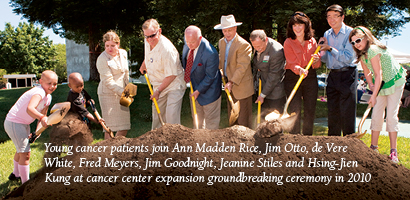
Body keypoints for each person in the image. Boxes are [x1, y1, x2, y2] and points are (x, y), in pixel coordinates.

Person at [349, 26, 406, 162]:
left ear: (366, 37)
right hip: (381, 84)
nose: (356, 44)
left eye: (358, 40)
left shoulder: (373, 50)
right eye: (353, 43)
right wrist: (371, 85)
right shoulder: (362, 54)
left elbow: (378, 74)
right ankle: (373, 148)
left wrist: (373, 95)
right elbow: (368, 73)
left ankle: (394, 152)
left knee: (391, 116)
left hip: (395, 81)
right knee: (376, 115)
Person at [4, 70, 58, 184]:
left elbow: (42, 116)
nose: (52, 86)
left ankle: (15, 174)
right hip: (14, 122)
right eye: (49, 83)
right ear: (40, 82)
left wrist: (37, 132)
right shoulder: (39, 92)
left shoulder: (48, 98)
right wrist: (43, 118)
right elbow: (30, 109)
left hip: (23, 124)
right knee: (25, 153)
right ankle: (26, 184)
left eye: (55, 84)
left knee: (21, 150)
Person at [139, 19, 186, 130]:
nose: (149, 40)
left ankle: (175, 144)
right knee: (157, 118)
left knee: (171, 118)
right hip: (158, 84)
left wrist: (158, 91)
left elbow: (171, 75)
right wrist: (144, 63)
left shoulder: (167, 50)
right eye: (146, 36)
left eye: (152, 36)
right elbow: (149, 54)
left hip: (174, 85)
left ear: (159, 31)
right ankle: (156, 145)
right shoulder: (147, 40)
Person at [319, 4, 357, 136]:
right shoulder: (326, 34)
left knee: (347, 111)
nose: (332, 19)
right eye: (329, 16)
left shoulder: (350, 33)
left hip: (348, 74)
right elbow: (326, 59)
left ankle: (349, 143)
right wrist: (320, 51)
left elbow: (347, 57)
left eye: (335, 16)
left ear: (342, 17)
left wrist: (329, 48)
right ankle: (333, 144)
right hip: (332, 75)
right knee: (332, 110)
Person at [283, 12, 321, 135]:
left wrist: (316, 60)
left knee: (310, 109)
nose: (297, 28)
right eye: (294, 25)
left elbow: (317, 65)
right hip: (293, 77)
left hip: (310, 77)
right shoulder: (288, 42)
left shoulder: (312, 41)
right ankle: (295, 138)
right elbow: (291, 62)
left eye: (300, 25)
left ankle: (307, 138)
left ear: (306, 26)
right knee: (295, 109)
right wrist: (299, 69)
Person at [214, 15, 254, 128]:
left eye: (230, 30)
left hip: (241, 87)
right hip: (228, 84)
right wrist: (218, 68)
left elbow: (242, 66)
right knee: (233, 119)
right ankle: (235, 144)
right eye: (225, 30)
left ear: (235, 29)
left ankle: (247, 144)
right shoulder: (221, 42)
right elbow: (222, 59)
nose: (227, 33)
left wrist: (231, 82)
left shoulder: (243, 45)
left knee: (243, 121)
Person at [182, 26, 222, 129]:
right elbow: (187, 64)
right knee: (197, 122)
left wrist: (198, 90)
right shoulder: (188, 44)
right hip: (194, 89)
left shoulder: (211, 53)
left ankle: (211, 145)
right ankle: (198, 144)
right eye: (187, 42)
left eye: (192, 42)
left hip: (210, 92)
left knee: (211, 126)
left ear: (200, 38)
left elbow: (210, 76)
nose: (189, 45)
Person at [96, 30, 130, 139]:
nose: (109, 48)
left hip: (124, 92)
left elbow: (126, 72)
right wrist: (122, 92)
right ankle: (108, 151)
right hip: (107, 94)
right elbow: (108, 81)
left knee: (124, 125)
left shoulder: (123, 53)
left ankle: (116, 149)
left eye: (112, 45)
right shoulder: (102, 59)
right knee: (109, 127)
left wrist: (128, 89)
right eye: (107, 46)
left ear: (118, 44)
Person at [249, 29, 286, 121]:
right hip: (263, 88)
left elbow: (274, 76)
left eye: (259, 46)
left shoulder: (276, 51)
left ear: (265, 40)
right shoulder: (258, 46)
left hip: (275, 93)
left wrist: (262, 95)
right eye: (255, 46)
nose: (257, 49)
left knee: (275, 123)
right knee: (263, 120)